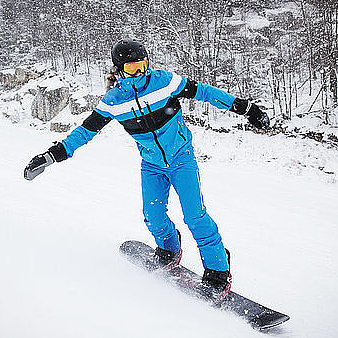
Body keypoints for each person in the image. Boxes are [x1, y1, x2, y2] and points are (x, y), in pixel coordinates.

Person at [24, 38, 270, 302]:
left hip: (182, 158)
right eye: (131, 68)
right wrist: (52, 155)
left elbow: (205, 92)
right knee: (152, 215)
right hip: (152, 164)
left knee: (195, 217)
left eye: (142, 65)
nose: (139, 72)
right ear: (119, 70)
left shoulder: (164, 82)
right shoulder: (114, 101)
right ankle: (169, 250)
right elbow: (85, 132)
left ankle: (218, 271)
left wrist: (246, 108)